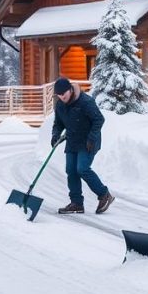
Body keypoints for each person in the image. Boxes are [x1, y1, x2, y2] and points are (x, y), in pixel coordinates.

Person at [50, 76, 114, 215]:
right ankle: (76, 203)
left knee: (82, 168)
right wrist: (55, 135)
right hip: (72, 141)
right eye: (59, 95)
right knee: (71, 170)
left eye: (64, 94)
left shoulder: (85, 101)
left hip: (88, 142)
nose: (62, 97)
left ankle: (104, 195)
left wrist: (92, 138)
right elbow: (58, 124)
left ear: (70, 90)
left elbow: (99, 119)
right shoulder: (60, 105)